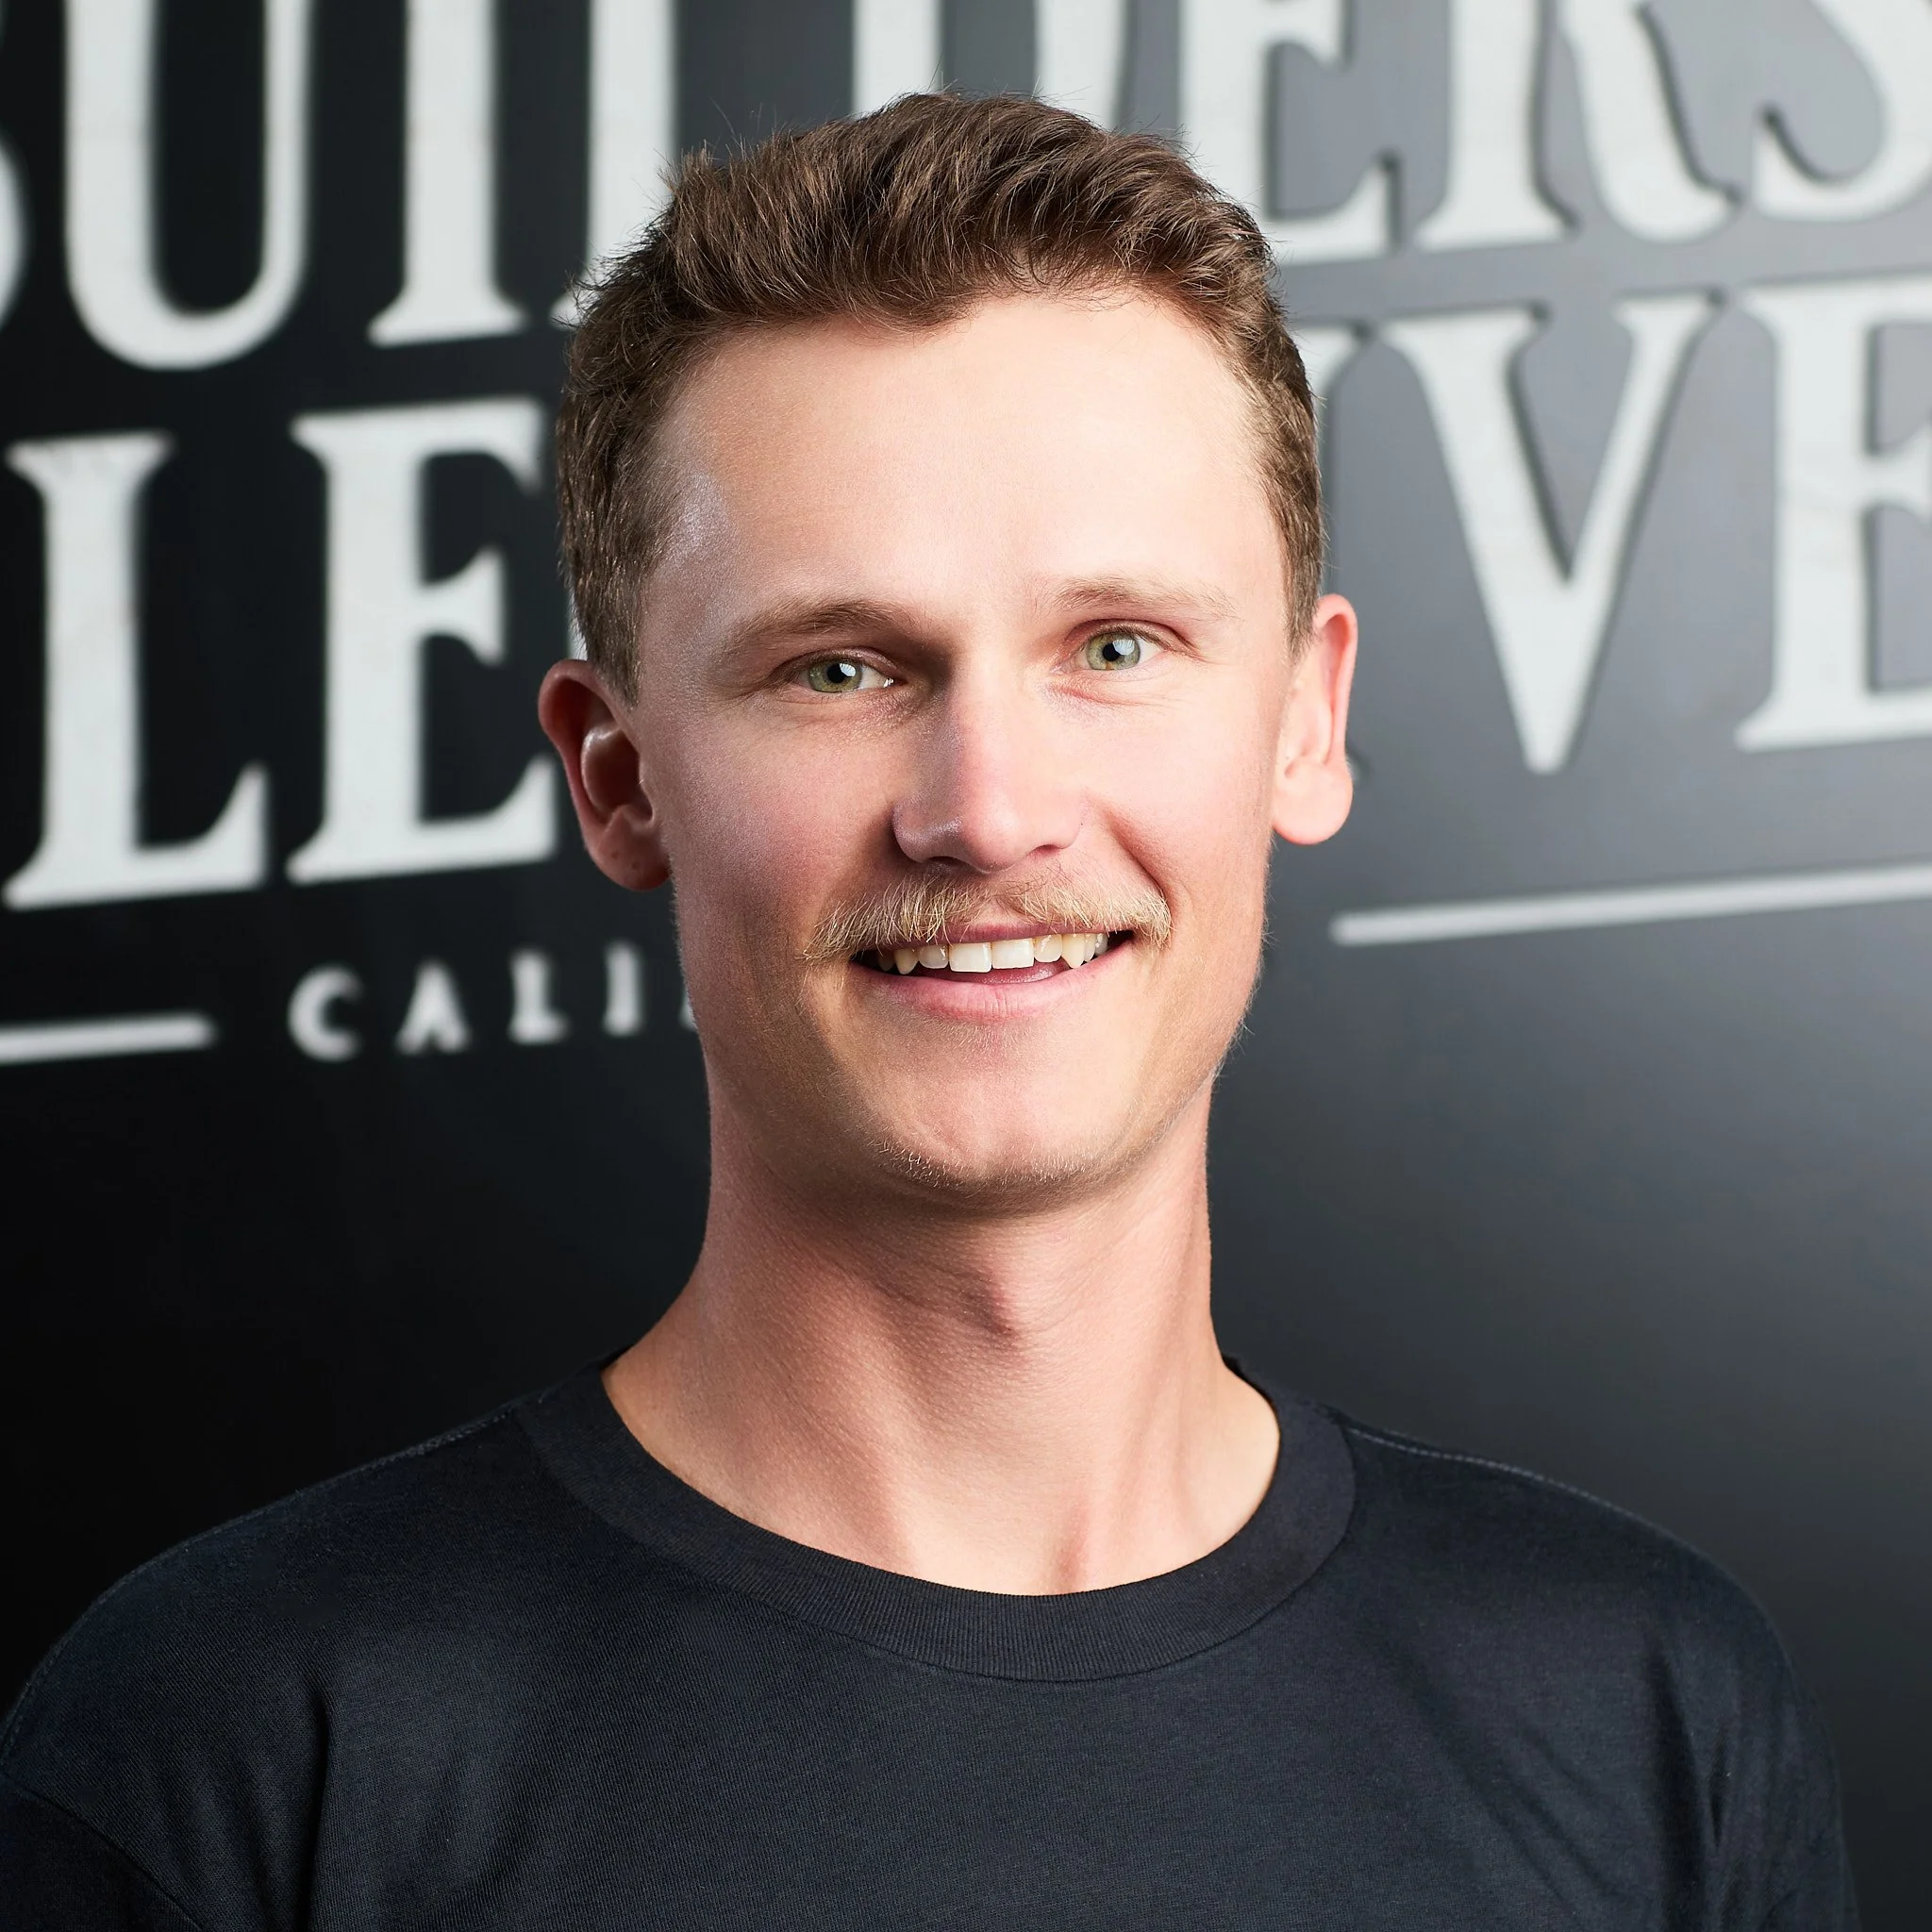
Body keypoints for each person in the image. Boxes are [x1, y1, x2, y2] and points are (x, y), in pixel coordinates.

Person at [1, 94, 1855, 1929]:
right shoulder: (230, 1747)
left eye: (1114, 647)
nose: (983, 806)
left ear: (1304, 714)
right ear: (618, 774)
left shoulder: (1641, 1705)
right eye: (840, 667)